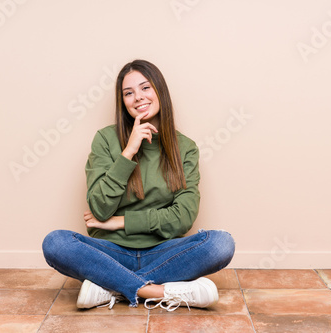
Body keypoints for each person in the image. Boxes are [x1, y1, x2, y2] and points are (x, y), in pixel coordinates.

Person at [42, 59, 235, 311]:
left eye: (145, 88)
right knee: (55, 243)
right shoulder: (105, 139)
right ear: (122, 101)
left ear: (159, 91)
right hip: (111, 251)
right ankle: (157, 291)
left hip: (164, 251)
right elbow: (99, 208)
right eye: (128, 93)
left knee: (221, 244)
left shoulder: (185, 147)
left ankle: (111, 286)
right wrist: (128, 152)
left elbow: (184, 217)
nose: (137, 98)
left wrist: (120, 222)